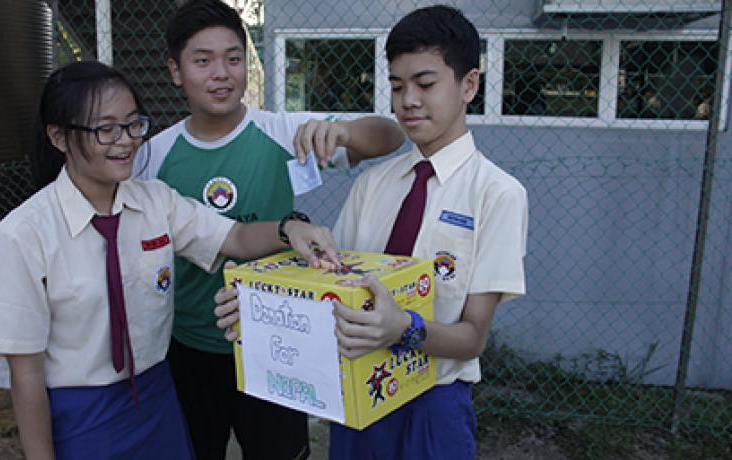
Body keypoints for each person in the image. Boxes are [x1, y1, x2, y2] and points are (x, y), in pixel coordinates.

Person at [0, 61, 340, 460]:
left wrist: (289, 228)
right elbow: (25, 373)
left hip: (155, 401)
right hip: (80, 414)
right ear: (58, 137)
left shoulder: (155, 202)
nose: (126, 141)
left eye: (134, 124)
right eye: (106, 129)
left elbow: (233, 236)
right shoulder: (24, 233)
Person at [215, 6, 528, 459]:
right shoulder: (373, 183)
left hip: (433, 405)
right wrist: (257, 306)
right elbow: (330, 282)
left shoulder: (497, 194)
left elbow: (473, 336)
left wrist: (402, 329)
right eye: (397, 86)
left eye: (425, 84)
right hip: (360, 388)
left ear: (469, 85)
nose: (409, 101)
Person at [132, 1, 405, 459]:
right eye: (203, 60)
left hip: (279, 343)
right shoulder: (152, 156)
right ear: (175, 71)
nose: (222, 73)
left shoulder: (285, 131)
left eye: (233, 58)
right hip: (188, 346)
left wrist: (344, 133)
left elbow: (391, 135)